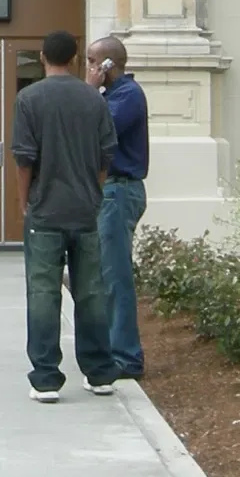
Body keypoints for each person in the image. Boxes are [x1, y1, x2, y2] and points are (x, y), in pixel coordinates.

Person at [12, 29, 118, 402]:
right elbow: (106, 155)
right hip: (85, 211)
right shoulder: (94, 99)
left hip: (45, 211)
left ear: (42, 57)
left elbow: (24, 158)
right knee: (91, 292)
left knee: (43, 293)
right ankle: (100, 372)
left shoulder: (29, 99)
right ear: (74, 59)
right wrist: (94, 192)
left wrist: (24, 202)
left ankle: (46, 379)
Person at [89, 35, 149, 381]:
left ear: (107, 64)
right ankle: (111, 348)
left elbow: (98, 133)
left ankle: (126, 357)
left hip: (120, 190)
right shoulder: (109, 96)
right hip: (108, 192)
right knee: (104, 275)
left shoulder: (127, 95)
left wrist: (88, 91)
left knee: (115, 276)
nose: (88, 67)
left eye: (92, 61)